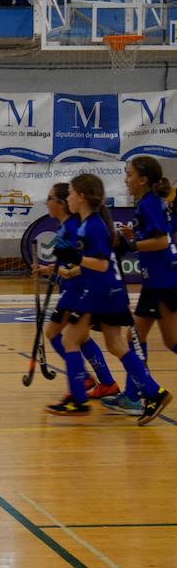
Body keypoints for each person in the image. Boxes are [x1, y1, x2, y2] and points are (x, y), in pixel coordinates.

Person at [49, 173, 171, 425]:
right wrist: (72, 265)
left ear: (81, 197)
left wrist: (75, 257)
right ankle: (154, 392)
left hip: (100, 291)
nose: (68, 197)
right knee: (116, 344)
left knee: (71, 339)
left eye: (70, 193)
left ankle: (79, 400)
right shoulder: (88, 223)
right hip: (111, 292)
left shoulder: (92, 225)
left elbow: (102, 265)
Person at [101, 157, 177, 415]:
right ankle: (133, 398)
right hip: (155, 280)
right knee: (134, 337)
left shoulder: (149, 204)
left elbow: (162, 242)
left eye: (129, 174)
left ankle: (135, 396)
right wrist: (133, 238)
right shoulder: (150, 202)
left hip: (165, 281)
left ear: (143, 179)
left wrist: (131, 245)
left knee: (172, 341)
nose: (126, 179)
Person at [34, 183, 119, 400]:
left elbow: (81, 263)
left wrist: (65, 274)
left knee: (59, 335)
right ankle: (105, 383)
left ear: (61, 204)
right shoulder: (65, 226)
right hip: (73, 287)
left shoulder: (73, 227)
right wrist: (49, 271)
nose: (46, 202)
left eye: (50, 198)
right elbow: (67, 263)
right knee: (79, 338)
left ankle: (82, 381)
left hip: (78, 289)